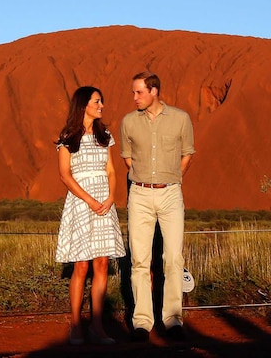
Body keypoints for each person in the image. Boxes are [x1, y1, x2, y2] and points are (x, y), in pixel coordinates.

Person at [120, 71, 195, 342]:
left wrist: (171, 178)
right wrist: (145, 180)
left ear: (154, 91)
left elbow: (187, 154)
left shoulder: (180, 118)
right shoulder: (129, 122)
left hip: (171, 194)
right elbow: (128, 159)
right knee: (139, 259)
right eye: (133, 92)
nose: (135, 97)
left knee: (173, 258)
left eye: (139, 92)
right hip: (139, 194)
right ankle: (142, 322)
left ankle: (173, 319)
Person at [55, 86, 126, 345]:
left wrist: (109, 198)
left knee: (102, 264)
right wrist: (90, 200)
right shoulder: (68, 136)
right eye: (97, 101)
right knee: (81, 266)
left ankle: (97, 326)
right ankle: (76, 325)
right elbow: (65, 174)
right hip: (81, 202)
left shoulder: (104, 134)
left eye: (102, 101)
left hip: (104, 204)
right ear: (84, 104)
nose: (101, 105)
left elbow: (111, 170)